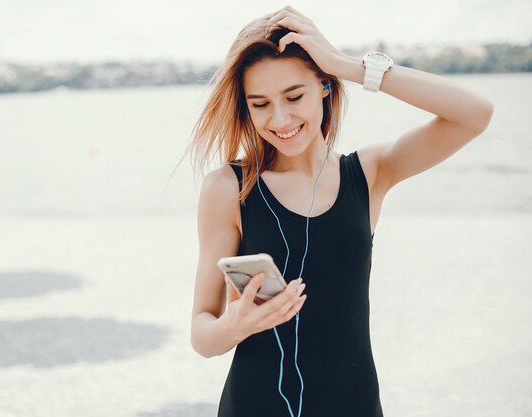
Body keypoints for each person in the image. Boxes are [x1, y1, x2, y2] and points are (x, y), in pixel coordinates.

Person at [188, 6, 493, 417]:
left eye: (294, 96)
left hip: (355, 405)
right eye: (260, 104)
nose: (279, 119)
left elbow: (475, 114)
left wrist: (347, 64)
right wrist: (235, 325)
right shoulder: (228, 188)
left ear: (325, 87)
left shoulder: (369, 173)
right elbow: (202, 332)